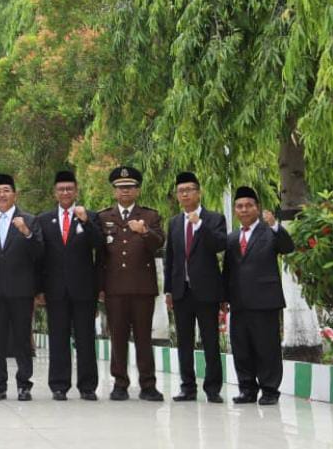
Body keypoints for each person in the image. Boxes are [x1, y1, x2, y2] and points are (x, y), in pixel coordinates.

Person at [0, 173, 44, 401]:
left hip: (22, 290)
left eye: (6, 190)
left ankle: (24, 385)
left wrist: (27, 233)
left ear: (15, 194)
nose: (1, 195)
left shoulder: (30, 220)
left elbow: (40, 254)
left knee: (22, 340)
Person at [98, 167, 166, 402]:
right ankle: (120, 384)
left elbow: (158, 243)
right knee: (117, 338)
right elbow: (100, 255)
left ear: (137, 190)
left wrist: (145, 231)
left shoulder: (150, 216)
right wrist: (100, 287)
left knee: (143, 338)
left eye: (129, 187)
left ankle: (148, 384)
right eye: (120, 187)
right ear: (114, 191)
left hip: (142, 288)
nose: (125, 191)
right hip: (115, 288)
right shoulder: (104, 217)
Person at [223, 186, 294, 406]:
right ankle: (247, 389)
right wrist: (224, 297)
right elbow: (227, 270)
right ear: (235, 210)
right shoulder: (231, 238)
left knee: (267, 348)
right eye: (239, 206)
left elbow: (287, 247)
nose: (244, 210)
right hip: (239, 302)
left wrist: (275, 225)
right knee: (241, 348)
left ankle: (270, 390)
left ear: (257, 208)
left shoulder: (269, 231)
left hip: (265, 301)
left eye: (248, 205)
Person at [37, 170, 103, 401]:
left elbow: (100, 244)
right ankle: (58, 385)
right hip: (55, 289)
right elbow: (39, 257)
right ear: (55, 193)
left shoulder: (90, 216)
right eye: (61, 189)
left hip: (84, 289)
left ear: (76, 191)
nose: (65, 192)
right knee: (58, 339)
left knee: (85, 339)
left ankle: (88, 386)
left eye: (69, 188)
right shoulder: (44, 220)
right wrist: (39, 290)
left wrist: (86, 221)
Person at [164, 171, 228, 403]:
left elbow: (219, 245)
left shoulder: (214, 219)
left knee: (210, 341)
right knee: (184, 342)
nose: (185, 194)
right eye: (181, 191)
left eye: (189, 190)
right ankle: (187, 387)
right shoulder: (174, 223)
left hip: (207, 291)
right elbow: (170, 258)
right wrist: (169, 290)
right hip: (181, 291)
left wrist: (199, 224)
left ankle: (213, 389)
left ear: (198, 193)